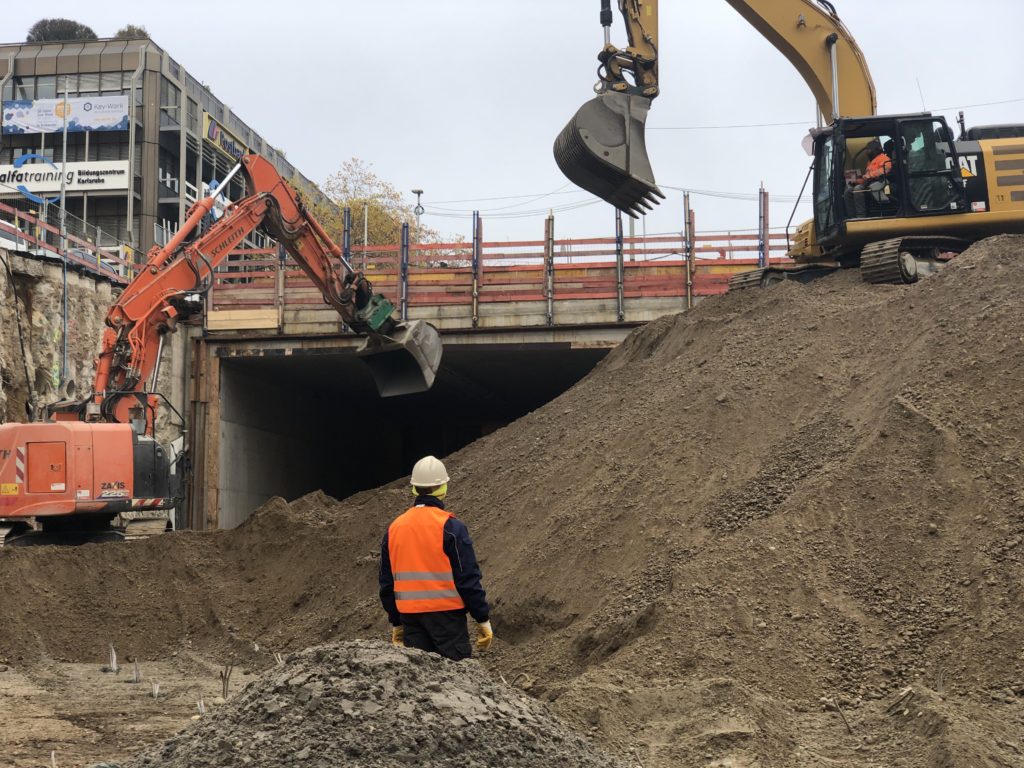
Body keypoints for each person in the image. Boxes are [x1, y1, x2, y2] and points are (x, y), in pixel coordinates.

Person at [379, 455, 492, 660]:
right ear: (443, 488)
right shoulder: (450, 527)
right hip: (447, 620)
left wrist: (396, 622)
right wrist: (481, 618)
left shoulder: (395, 528)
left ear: (414, 488)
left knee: (421, 682)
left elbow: (387, 583)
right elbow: (467, 578)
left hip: (411, 620)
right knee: (456, 682)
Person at [845, 139, 893, 218]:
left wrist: (870, 175)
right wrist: (855, 180)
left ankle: (861, 216)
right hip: (869, 183)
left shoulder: (884, 158)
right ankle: (851, 216)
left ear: (875, 149)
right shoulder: (870, 162)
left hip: (879, 183)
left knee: (858, 189)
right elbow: (866, 177)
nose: (867, 152)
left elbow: (884, 170)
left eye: (869, 150)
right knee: (848, 192)